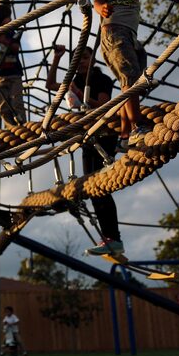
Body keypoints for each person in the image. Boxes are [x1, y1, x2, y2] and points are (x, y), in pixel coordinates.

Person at [46, 43, 124, 258]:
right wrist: (57, 58)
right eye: (77, 59)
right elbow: (50, 84)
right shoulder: (74, 81)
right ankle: (110, 238)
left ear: (92, 60)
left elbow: (103, 104)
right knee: (91, 187)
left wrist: (80, 94)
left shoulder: (102, 79)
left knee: (99, 186)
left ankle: (113, 237)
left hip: (104, 134)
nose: (80, 62)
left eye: (84, 58)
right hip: (86, 136)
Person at [92, 0, 151, 147]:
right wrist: (101, 8)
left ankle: (124, 137)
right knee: (130, 80)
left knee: (135, 82)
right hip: (113, 33)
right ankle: (137, 126)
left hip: (131, 37)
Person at [0, 3, 26, 126]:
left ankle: (22, 125)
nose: (11, 20)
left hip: (14, 75)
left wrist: (5, 41)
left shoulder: (10, 32)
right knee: (3, 107)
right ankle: (11, 128)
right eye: (8, 17)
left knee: (17, 102)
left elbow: (16, 48)